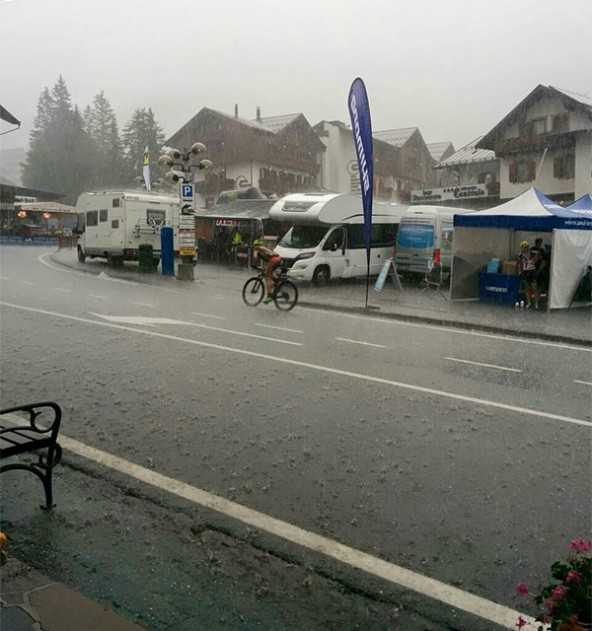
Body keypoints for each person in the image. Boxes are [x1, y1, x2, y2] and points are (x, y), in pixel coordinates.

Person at [253, 236, 282, 303]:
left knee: (267, 276)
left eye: (254, 246)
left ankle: (269, 296)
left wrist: (255, 266)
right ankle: (275, 283)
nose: (254, 248)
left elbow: (255, 259)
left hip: (273, 260)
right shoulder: (263, 248)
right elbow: (267, 260)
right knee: (269, 274)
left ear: (256, 245)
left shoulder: (259, 248)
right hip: (277, 259)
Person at [517, 240, 541, 309]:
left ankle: (536, 303)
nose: (524, 249)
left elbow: (538, 255)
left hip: (532, 271)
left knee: (534, 288)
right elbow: (520, 264)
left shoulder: (532, 253)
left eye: (525, 247)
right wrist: (520, 271)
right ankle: (529, 302)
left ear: (528, 247)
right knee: (527, 288)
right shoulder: (520, 255)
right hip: (525, 271)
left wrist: (536, 257)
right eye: (522, 247)